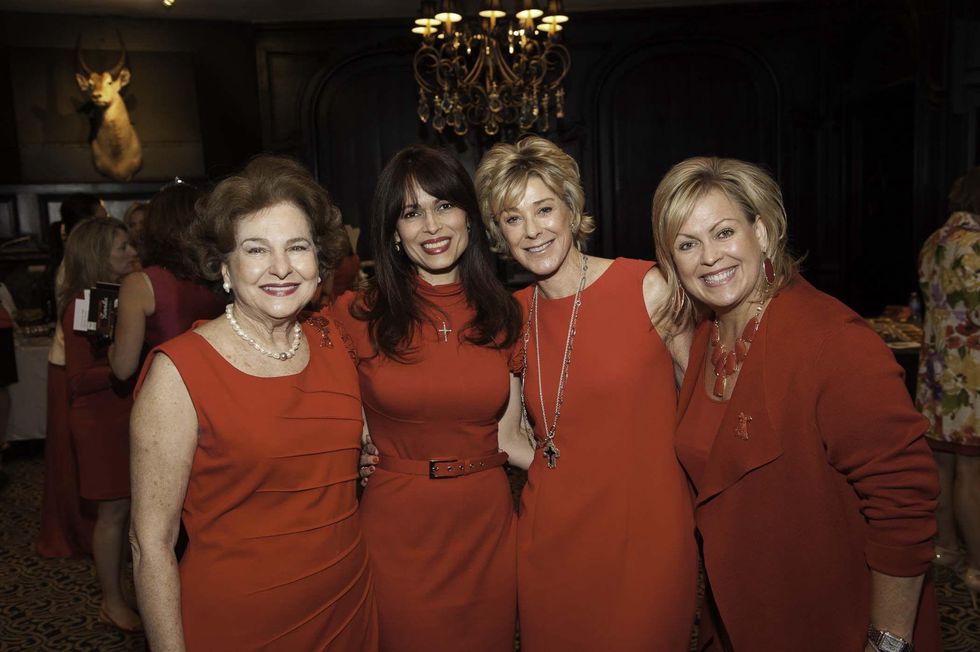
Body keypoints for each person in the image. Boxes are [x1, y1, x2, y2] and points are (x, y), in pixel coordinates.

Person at [651, 156, 941, 651]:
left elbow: (904, 504)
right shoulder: (707, 335)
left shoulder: (833, 342)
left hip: (833, 618)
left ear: (761, 232)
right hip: (744, 614)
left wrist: (887, 642)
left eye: (723, 232)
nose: (708, 257)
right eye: (687, 244)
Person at [130, 155, 378, 651]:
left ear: (319, 261)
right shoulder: (179, 372)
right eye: (256, 249)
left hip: (347, 602)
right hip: (241, 620)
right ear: (224, 266)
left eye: (297, 247)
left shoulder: (333, 340)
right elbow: (150, 544)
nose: (281, 268)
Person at [474, 136, 697, 651]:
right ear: (497, 234)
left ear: (572, 210)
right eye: (512, 218)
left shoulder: (650, 287)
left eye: (544, 208)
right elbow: (506, 437)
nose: (532, 231)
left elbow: (703, 407)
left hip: (649, 533)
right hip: (553, 538)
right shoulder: (511, 315)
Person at [331, 145, 527, 652]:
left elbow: (514, 436)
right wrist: (351, 452)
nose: (432, 226)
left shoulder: (507, 315)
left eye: (444, 206)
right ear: (393, 231)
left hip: (487, 525)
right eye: (411, 213)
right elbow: (312, 402)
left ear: (469, 215)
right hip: (399, 529)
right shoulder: (355, 314)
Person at [59, 216, 141, 632]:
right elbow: (77, 379)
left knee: (131, 511)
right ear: (96, 256)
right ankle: (111, 600)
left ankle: (128, 592)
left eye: (130, 245)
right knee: (113, 513)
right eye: (121, 247)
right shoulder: (88, 303)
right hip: (101, 420)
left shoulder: (125, 293)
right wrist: (126, 360)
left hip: (125, 413)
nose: (131, 252)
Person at [916, 166, 980, 604]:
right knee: (972, 474)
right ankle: (977, 564)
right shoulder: (976, 246)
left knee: (941, 466)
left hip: (935, 371)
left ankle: (946, 548)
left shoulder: (933, 240)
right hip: (970, 374)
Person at [36, 193, 106, 558]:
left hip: (75, 369)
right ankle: (79, 531)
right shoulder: (87, 294)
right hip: (69, 370)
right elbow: (88, 354)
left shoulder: (98, 288)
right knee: (71, 455)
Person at [109, 183, 223, 382]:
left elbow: (123, 367)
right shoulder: (222, 273)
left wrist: (111, 347)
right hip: (219, 384)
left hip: (170, 390)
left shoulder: (141, 284)